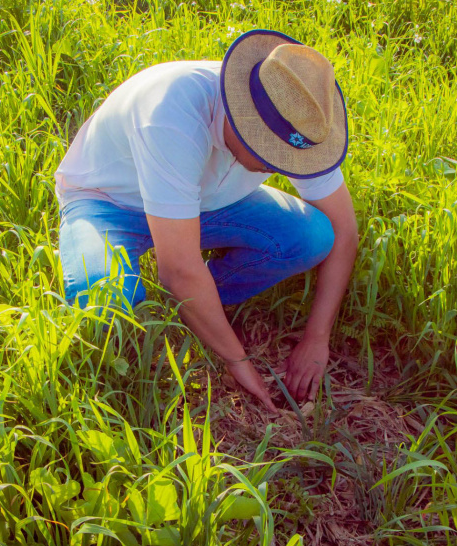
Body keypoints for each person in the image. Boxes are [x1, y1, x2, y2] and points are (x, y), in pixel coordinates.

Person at [54, 29, 358, 412]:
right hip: (109, 203)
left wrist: (318, 336)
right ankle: (182, 304)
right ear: (243, 116)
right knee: (107, 304)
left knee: (313, 235)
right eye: (270, 156)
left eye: (289, 159)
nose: (280, 168)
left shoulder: (300, 116)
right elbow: (178, 268)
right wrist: (237, 360)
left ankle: (189, 305)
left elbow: (344, 231)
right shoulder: (171, 111)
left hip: (210, 202)